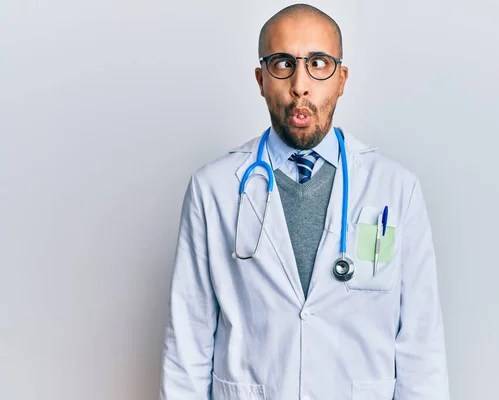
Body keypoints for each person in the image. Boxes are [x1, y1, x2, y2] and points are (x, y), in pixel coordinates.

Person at [160, 3, 449, 399]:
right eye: (282, 64)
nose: (300, 84)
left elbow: (421, 344)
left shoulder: (395, 187)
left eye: (318, 63)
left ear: (341, 79)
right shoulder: (213, 189)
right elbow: (187, 343)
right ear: (261, 79)